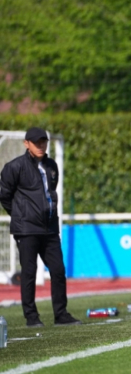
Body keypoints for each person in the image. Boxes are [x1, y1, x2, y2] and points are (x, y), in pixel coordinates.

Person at [0, 127, 81, 327]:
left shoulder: (52, 165)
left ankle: (61, 315)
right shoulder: (14, 167)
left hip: (50, 229)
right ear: (26, 144)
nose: (41, 146)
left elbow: (50, 195)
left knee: (58, 270)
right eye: (37, 142)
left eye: (44, 142)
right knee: (29, 272)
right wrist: (20, 216)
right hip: (26, 229)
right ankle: (31, 317)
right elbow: (4, 195)